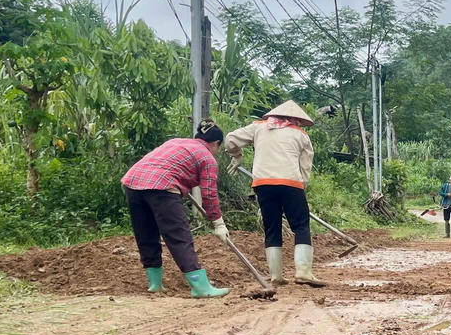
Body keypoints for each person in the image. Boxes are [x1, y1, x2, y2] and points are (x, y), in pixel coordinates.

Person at [121, 119, 229, 297]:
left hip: (132, 183)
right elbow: (209, 193)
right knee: (179, 236)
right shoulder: (207, 157)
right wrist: (218, 223)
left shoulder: (175, 142)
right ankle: (200, 287)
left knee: (146, 234)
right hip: (162, 187)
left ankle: (155, 284)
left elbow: (165, 165)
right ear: (216, 143)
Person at [224, 99, 324, 287]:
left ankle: (276, 275)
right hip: (291, 183)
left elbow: (230, 139)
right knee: (301, 226)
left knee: (272, 228)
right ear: (295, 119)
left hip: (263, 184)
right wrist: (301, 187)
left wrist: (237, 156)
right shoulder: (301, 135)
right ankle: (303, 272)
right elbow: (305, 168)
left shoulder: (258, 128)